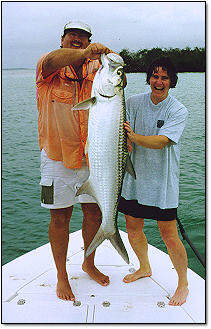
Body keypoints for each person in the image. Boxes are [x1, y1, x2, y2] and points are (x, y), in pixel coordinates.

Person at [36, 21, 112, 301]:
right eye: (73, 35)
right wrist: (86, 53)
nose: (78, 40)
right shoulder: (49, 65)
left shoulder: (98, 71)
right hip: (55, 157)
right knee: (60, 217)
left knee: (94, 213)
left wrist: (113, 62)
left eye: (84, 37)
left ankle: (88, 263)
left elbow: (117, 84)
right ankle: (61, 275)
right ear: (63, 39)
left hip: (92, 157)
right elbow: (54, 59)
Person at [118, 56, 189, 306]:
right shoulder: (132, 102)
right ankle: (144, 267)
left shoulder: (178, 109)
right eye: (155, 76)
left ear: (172, 81)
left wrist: (133, 137)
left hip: (162, 184)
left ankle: (183, 283)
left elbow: (163, 141)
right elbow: (120, 130)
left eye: (164, 77)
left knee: (169, 235)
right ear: (148, 78)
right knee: (133, 228)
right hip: (133, 180)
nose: (159, 82)